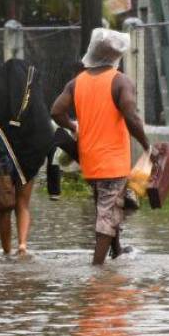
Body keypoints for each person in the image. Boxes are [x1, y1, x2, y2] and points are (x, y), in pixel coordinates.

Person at [51, 28, 150, 266]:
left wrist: (75, 127)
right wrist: (147, 145)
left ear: (92, 52)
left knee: (106, 206)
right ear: (118, 55)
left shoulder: (77, 82)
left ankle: (117, 252)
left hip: (89, 159)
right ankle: (97, 268)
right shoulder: (121, 81)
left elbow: (56, 111)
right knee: (108, 212)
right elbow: (131, 115)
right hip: (113, 161)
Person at [0, 58, 55, 256]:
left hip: (2, 161)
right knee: (23, 204)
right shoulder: (33, 100)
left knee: (4, 207)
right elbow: (46, 129)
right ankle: (22, 245)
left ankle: (6, 252)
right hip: (28, 159)